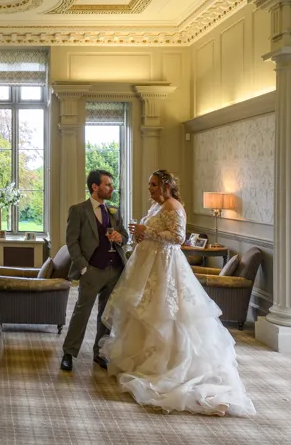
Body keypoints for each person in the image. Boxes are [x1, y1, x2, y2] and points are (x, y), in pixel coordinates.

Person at [99, 169, 256, 416]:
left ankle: (168, 364)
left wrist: (146, 232)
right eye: (149, 184)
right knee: (143, 311)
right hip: (148, 263)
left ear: (166, 186)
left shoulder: (174, 207)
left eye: (153, 185)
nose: (149, 188)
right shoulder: (156, 206)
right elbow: (152, 233)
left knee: (166, 313)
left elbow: (178, 237)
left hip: (164, 268)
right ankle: (142, 359)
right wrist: (141, 234)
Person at [60, 169, 128, 372]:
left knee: (107, 314)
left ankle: (100, 352)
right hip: (91, 270)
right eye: (107, 184)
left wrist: (120, 237)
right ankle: (68, 353)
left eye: (111, 184)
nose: (111, 188)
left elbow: (124, 235)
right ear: (95, 187)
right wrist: (83, 268)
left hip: (114, 269)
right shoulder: (78, 210)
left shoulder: (114, 211)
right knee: (81, 312)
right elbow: (72, 242)